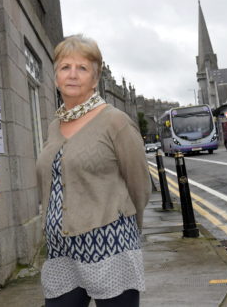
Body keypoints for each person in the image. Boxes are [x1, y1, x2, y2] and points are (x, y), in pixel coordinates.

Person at [36, 35, 151, 307]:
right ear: (55, 78)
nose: (72, 75)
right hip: (60, 251)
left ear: (95, 78)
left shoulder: (115, 121)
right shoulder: (54, 126)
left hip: (109, 245)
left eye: (82, 68)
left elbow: (140, 186)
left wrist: (121, 227)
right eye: (65, 67)